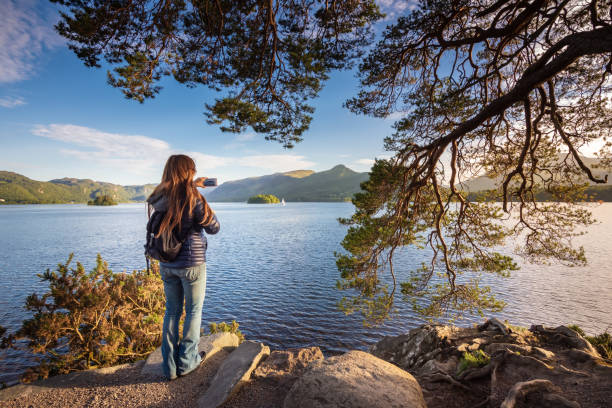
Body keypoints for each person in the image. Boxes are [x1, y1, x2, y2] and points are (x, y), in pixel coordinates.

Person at [146, 154, 220, 380]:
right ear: (188, 172)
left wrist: (189, 185)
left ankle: (168, 367)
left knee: (172, 311)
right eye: (193, 172)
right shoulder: (193, 197)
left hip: (166, 263)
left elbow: (173, 195)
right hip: (191, 263)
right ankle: (187, 362)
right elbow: (214, 227)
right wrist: (195, 189)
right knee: (194, 311)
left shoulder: (158, 196)